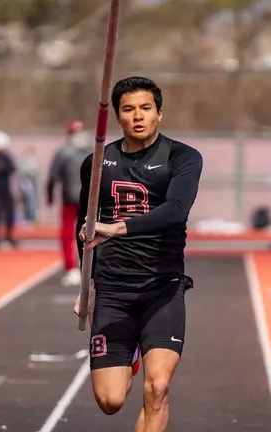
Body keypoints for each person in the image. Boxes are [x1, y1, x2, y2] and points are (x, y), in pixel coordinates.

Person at [72, 76, 202, 432]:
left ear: (160, 113)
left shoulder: (182, 157)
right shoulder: (98, 162)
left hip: (162, 289)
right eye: (128, 109)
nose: (138, 116)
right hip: (113, 292)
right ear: (118, 116)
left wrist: (116, 228)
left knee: (158, 387)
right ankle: (129, 354)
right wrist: (87, 288)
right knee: (110, 401)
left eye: (146, 108)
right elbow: (83, 228)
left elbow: (175, 209)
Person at [47, 120, 92, 287]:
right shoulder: (92, 151)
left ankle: (71, 267)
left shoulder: (63, 152)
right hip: (87, 199)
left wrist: (50, 196)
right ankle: (87, 267)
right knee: (90, 231)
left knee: (68, 233)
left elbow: (52, 177)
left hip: (70, 198)